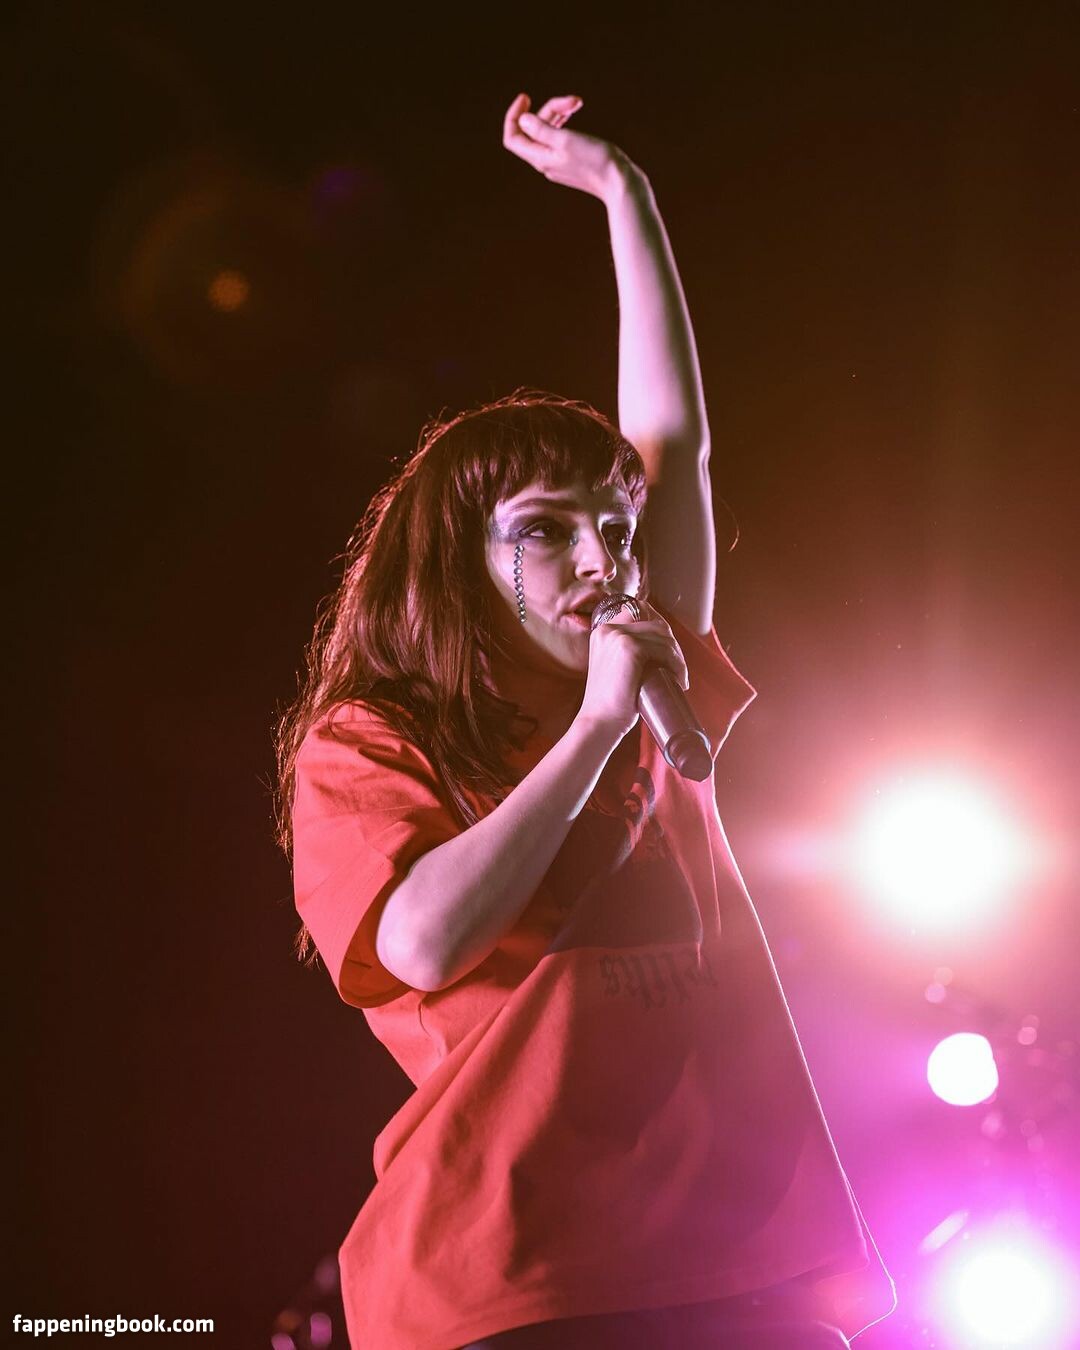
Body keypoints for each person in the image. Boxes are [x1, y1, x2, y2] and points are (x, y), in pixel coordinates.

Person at [276, 94, 895, 1350]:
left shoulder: (645, 675)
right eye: (545, 531)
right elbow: (422, 942)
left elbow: (676, 448)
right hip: (516, 1277)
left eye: (612, 527)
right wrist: (598, 729)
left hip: (732, 1259)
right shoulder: (372, 739)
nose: (602, 556)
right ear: (457, 568)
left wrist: (626, 197)